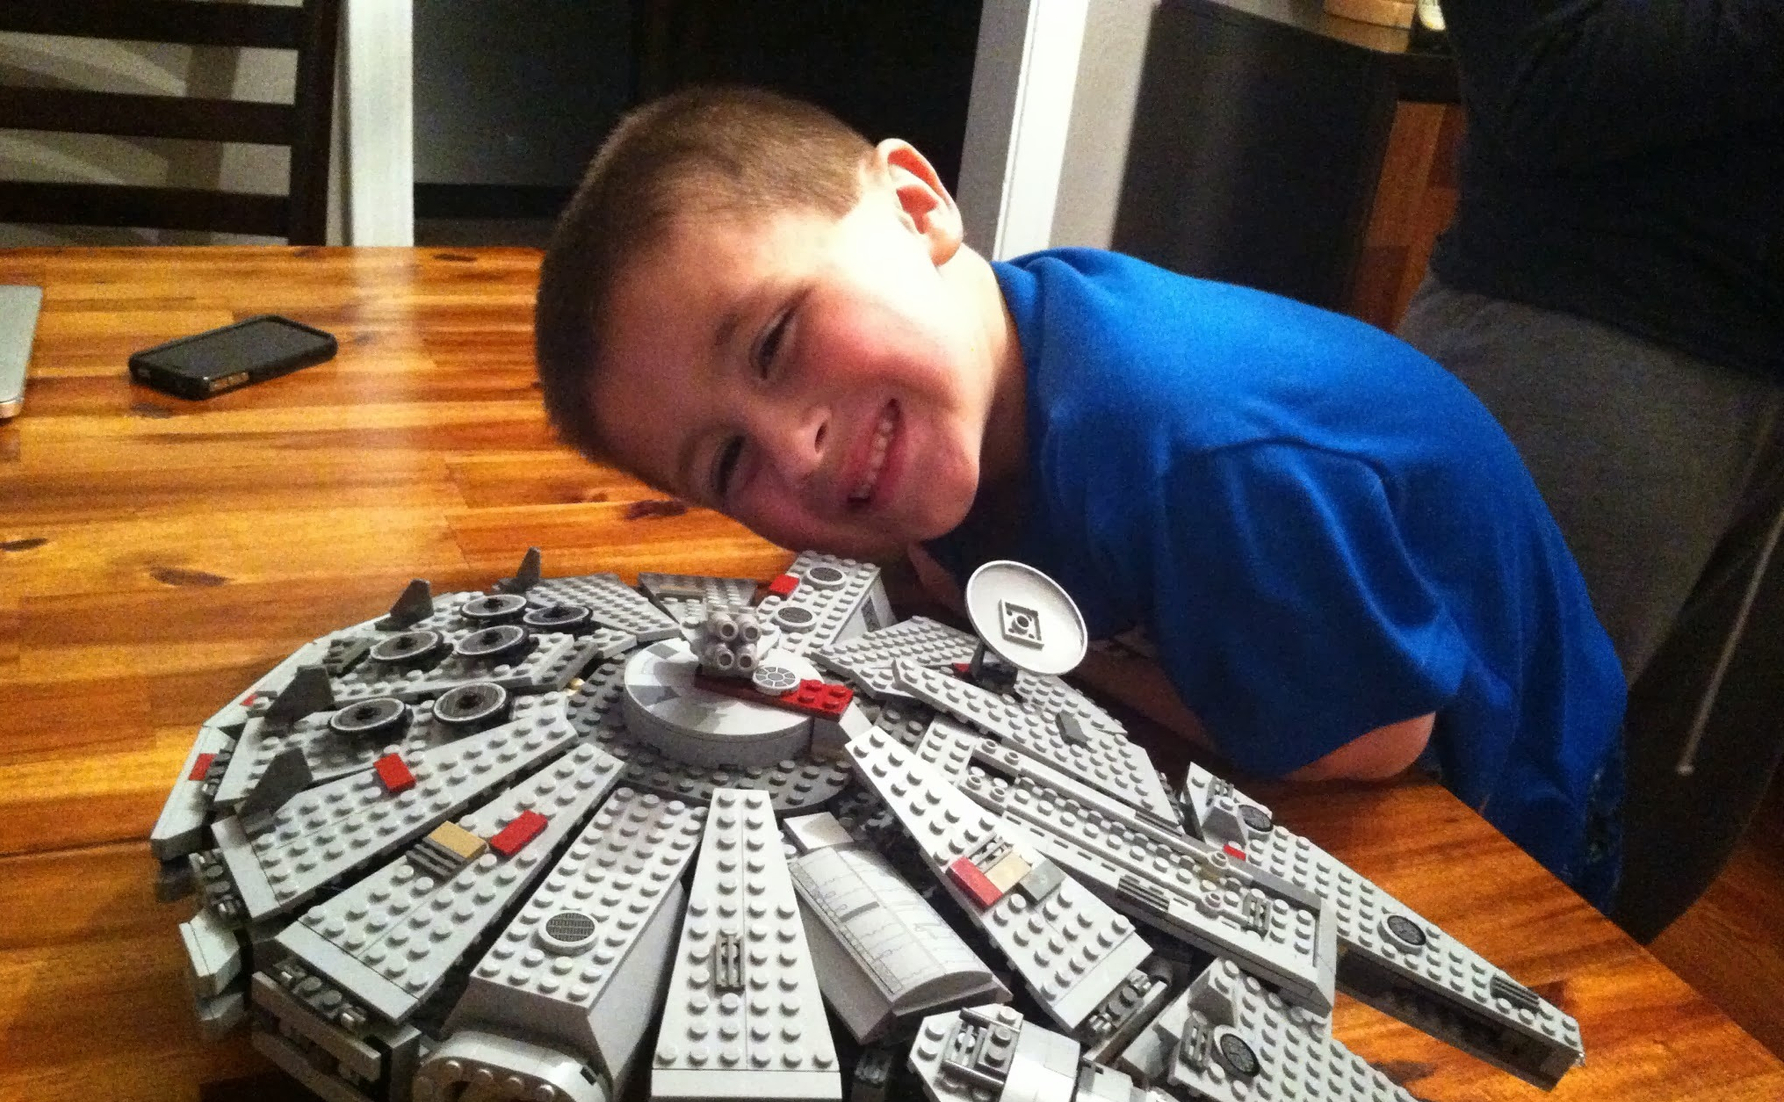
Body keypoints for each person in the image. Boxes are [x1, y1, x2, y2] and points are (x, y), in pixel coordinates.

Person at [534, 86, 1626, 909]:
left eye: (776, 340)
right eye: (728, 464)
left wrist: (1014, 637)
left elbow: (1366, 742)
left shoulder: (1196, 456)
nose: (796, 446)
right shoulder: (970, 374)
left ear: (916, 207)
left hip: (1496, 793)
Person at [1397, 2, 1784, 941]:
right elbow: (1544, 81)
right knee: (1409, 831)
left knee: (1633, 872)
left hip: (1721, 378)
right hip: (1591, 338)